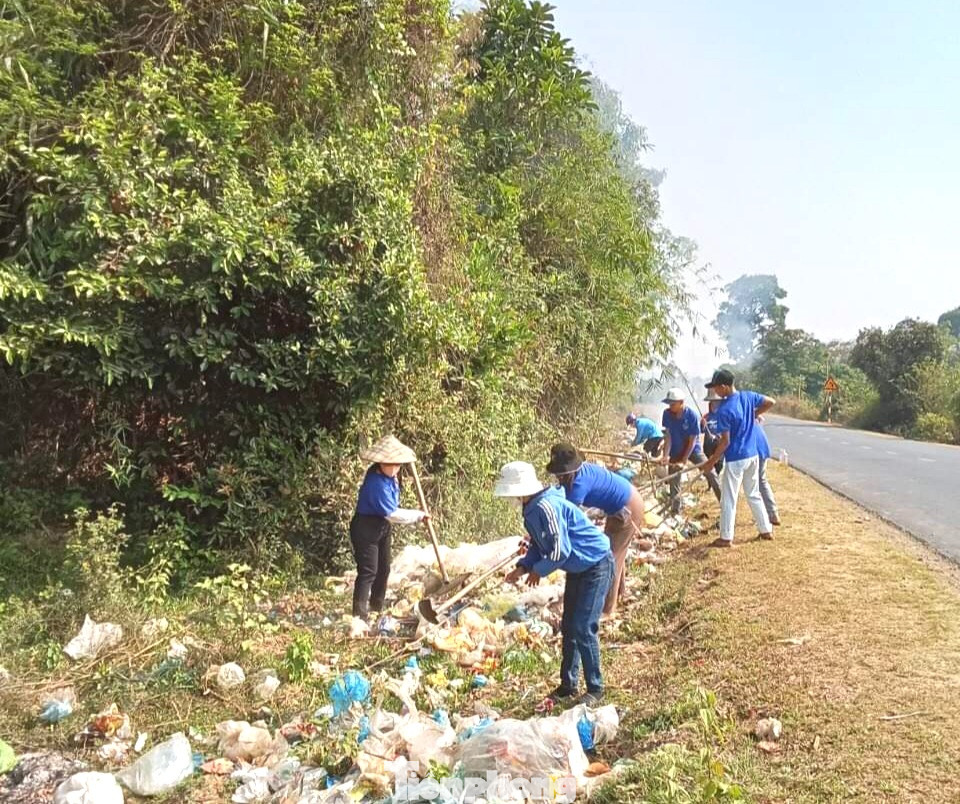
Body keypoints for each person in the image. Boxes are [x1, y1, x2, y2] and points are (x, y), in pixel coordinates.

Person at [495, 461, 613, 706]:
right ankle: (568, 684)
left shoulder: (547, 506)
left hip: (595, 564)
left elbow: (560, 551)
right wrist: (524, 566)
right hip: (578, 568)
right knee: (568, 627)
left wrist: (538, 571)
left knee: (583, 627)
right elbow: (539, 545)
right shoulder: (531, 511)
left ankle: (596, 687)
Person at [546, 443, 645, 618]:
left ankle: (608, 610)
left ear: (571, 470)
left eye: (562, 475)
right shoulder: (576, 476)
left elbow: (566, 518)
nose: (559, 479)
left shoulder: (578, 485)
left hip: (628, 508)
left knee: (610, 558)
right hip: (619, 507)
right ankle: (620, 593)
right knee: (616, 553)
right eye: (558, 475)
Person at [351, 436, 429, 619]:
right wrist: (418, 515)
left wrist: (418, 514)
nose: (395, 468)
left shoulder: (391, 477)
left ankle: (376, 607)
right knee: (368, 570)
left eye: (398, 464)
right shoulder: (375, 483)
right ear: (381, 463)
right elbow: (392, 514)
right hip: (366, 527)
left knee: (384, 568)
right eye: (391, 464)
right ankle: (359, 615)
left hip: (381, 526)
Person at [698, 369, 775, 547]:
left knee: (728, 498)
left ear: (724, 387)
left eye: (716, 388)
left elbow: (725, 442)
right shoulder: (748, 397)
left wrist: (710, 462)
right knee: (753, 493)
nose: (715, 392)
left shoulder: (725, 409)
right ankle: (766, 530)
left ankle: (726, 537)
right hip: (752, 455)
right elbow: (771, 401)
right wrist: (754, 414)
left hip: (736, 458)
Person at [660, 387, 721, 513]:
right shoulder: (667, 414)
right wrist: (665, 455)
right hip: (676, 450)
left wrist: (684, 461)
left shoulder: (691, 415)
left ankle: (725, 504)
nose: (670, 406)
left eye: (673, 404)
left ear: (681, 402)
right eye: (669, 404)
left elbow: (692, 441)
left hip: (692, 450)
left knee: (710, 472)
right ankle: (676, 510)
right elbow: (668, 436)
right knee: (674, 479)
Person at [756, 416, 781, 525]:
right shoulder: (752, 416)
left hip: (756, 451)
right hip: (762, 449)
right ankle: (771, 513)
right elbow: (761, 419)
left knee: (758, 482)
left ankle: (770, 514)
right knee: (760, 481)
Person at [701, 390, 726, 475]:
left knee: (719, 464)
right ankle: (710, 483)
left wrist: (718, 436)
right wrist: (703, 424)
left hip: (719, 444)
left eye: (717, 403)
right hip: (708, 445)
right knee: (708, 463)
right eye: (713, 403)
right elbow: (701, 430)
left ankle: (717, 477)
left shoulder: (723, 416)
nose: (715, 405)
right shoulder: (706, 417)